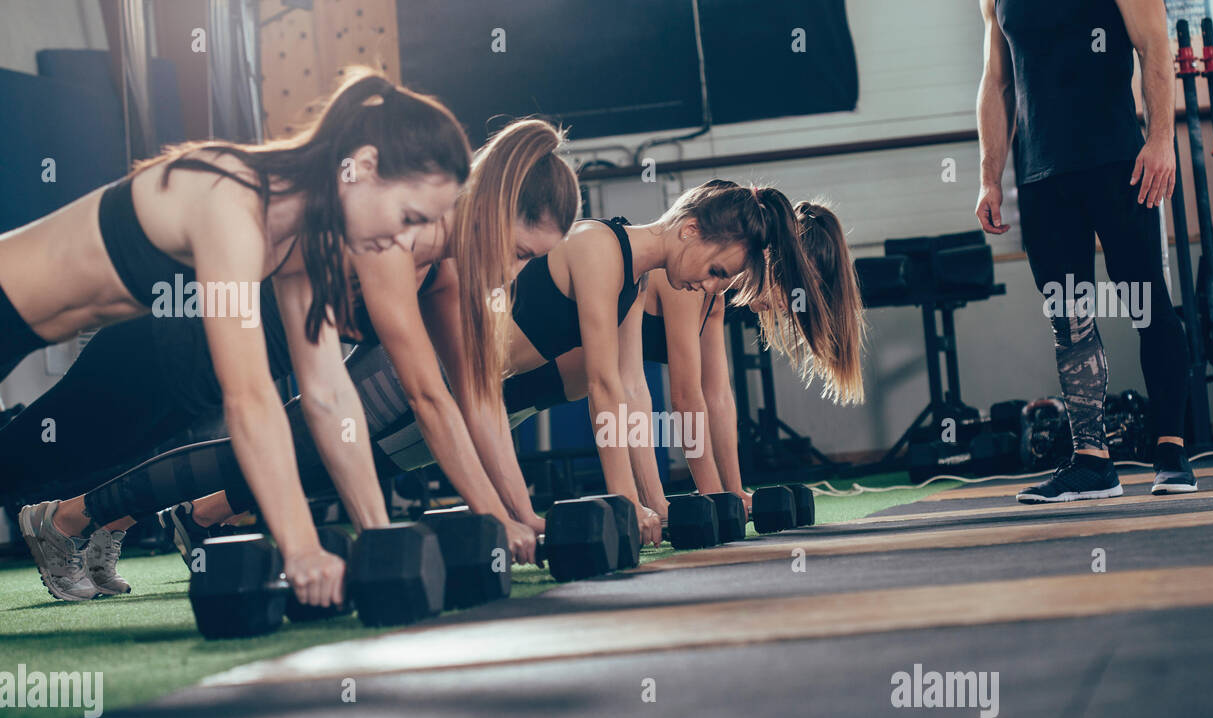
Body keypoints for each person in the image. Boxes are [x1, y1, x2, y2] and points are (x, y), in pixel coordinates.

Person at [3, 118, 578, 599]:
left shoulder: (445, 273)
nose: (514, 272)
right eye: (520, 252)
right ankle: (52, 517)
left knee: (129, 457)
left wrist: (515, 513)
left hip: (230, 364)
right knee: (38, 461)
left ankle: (75, 520)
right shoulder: (392, 233)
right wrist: (487, 513)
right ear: (495, 209)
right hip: (173, 339)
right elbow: (425, 396)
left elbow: (471, 398)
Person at [502, 200, 866, 518]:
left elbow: (718, 396)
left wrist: (733, 492)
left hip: (542, 394)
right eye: (791, 285)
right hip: (526, 378)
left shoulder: (713, 296)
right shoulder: (687, 282)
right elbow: (685, 399)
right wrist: (708, 496)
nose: (789, 305)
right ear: (768, 257)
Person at [975, 0, 1198, 502]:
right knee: (1068, 320)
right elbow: (996, 81)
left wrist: (1162, 137)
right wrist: (990, 177)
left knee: (1146, 302)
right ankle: (1093, 462)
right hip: (1041, 174)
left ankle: (1170, 452)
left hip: (1118, 162)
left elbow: (1154, 45)